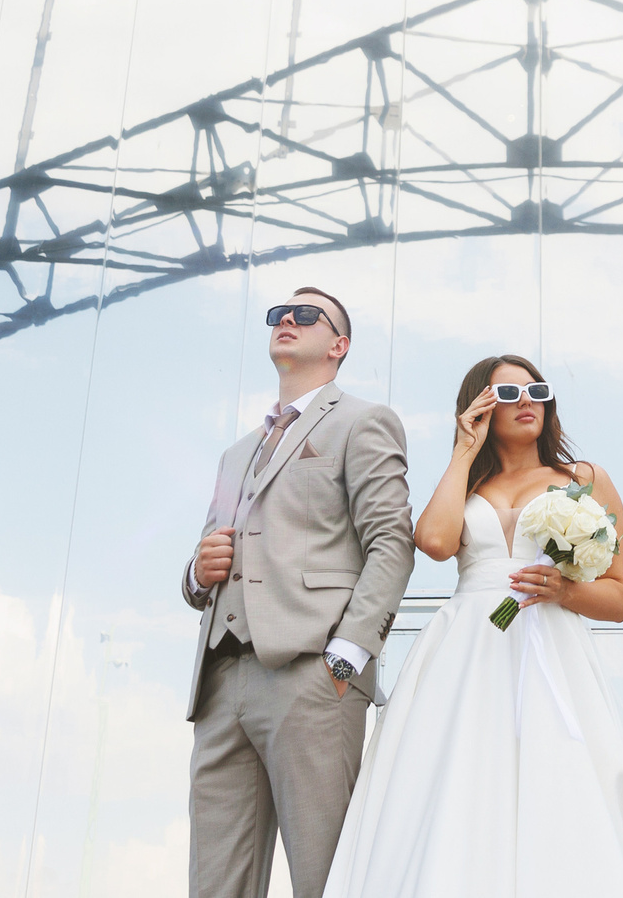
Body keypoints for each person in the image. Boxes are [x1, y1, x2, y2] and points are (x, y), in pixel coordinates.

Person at [319, 355, 623, 898]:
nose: (527, 401)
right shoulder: (466, 483)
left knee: (557, 776)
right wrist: (463, 450)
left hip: (550, 644)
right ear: (481, 409)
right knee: (458, 779)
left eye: (536, 390)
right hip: (467, 650)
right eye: (507, 394)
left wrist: (565, 591)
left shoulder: (584, 479)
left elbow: (618, 598)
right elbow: (435, 542)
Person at [184, 288, 415, 898]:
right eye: (279, 314)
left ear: (339, 345)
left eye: (308, 315)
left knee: (324, 877)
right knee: (214, 883)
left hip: (312, 675)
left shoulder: (362, 421)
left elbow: (392, 542)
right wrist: (197, 573)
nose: (287, 318)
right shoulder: (236, 454)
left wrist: (346, 658)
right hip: (221, 681)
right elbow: (206, 559)